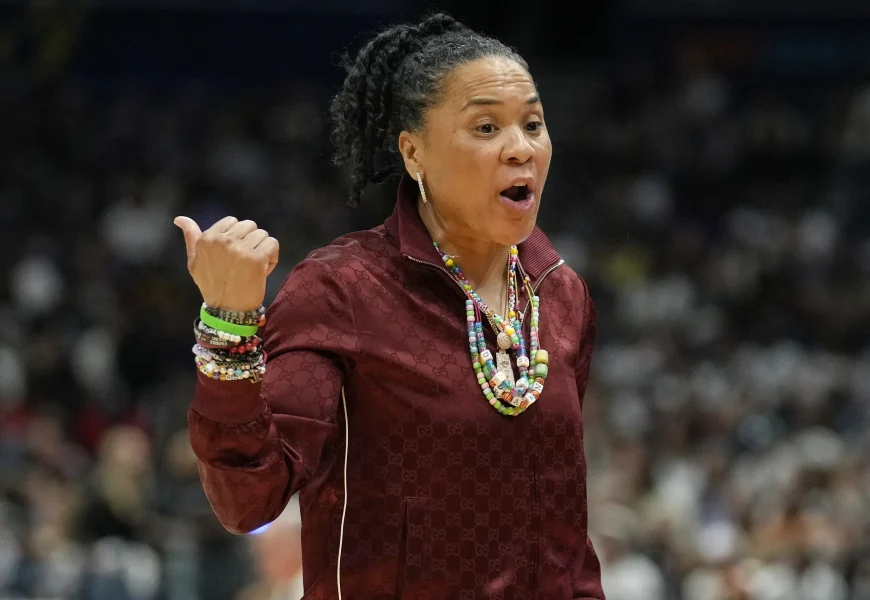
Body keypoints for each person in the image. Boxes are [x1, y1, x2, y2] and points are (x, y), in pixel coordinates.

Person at [173, 13, 604, 599]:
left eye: (533, 124)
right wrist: (228, 323)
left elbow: (565, 534)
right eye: (486, 127)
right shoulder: (344, 290)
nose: (520, 148)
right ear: (413, 152)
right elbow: (249, 498)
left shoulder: (561, 294)